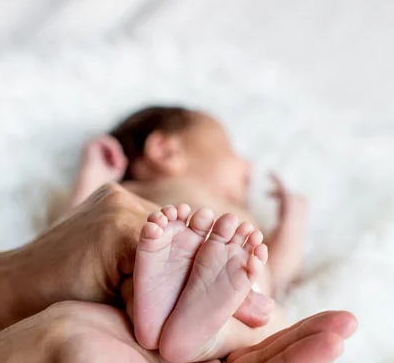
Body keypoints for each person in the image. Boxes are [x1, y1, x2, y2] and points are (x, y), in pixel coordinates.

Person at [0, 183, 357, 363]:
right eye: (237, 166)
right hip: (226, 279)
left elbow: (69, 220)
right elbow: (282, 269)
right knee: (265, 317)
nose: (246, 170)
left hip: (145, 266)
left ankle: (160, 315)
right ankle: (202, 337)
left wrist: (94, 168)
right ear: (164, 148)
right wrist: (293, 221)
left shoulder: (135, 193)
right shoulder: (210, 200)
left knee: (144, 283)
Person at [66, 105, 308, 342]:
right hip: (156, 286)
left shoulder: (244, 218)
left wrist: (292, 223)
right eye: (229, 148)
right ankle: (192, 328)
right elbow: (72, 236)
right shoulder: (127, 194)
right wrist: (93, 178)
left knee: (270, 315)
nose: (249, 165)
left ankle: (197, 333)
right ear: (165, 151)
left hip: (235, 309)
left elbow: (277, 278)